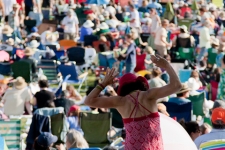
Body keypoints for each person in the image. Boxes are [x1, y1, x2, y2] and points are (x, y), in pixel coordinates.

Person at [84, 54, 182, 149]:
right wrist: (167, 66)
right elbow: (177, 86)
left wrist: (103, 83)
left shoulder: (120, 101)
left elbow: (89, 101)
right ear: (139, 83)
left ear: (122, 88)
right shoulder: (149, 95)